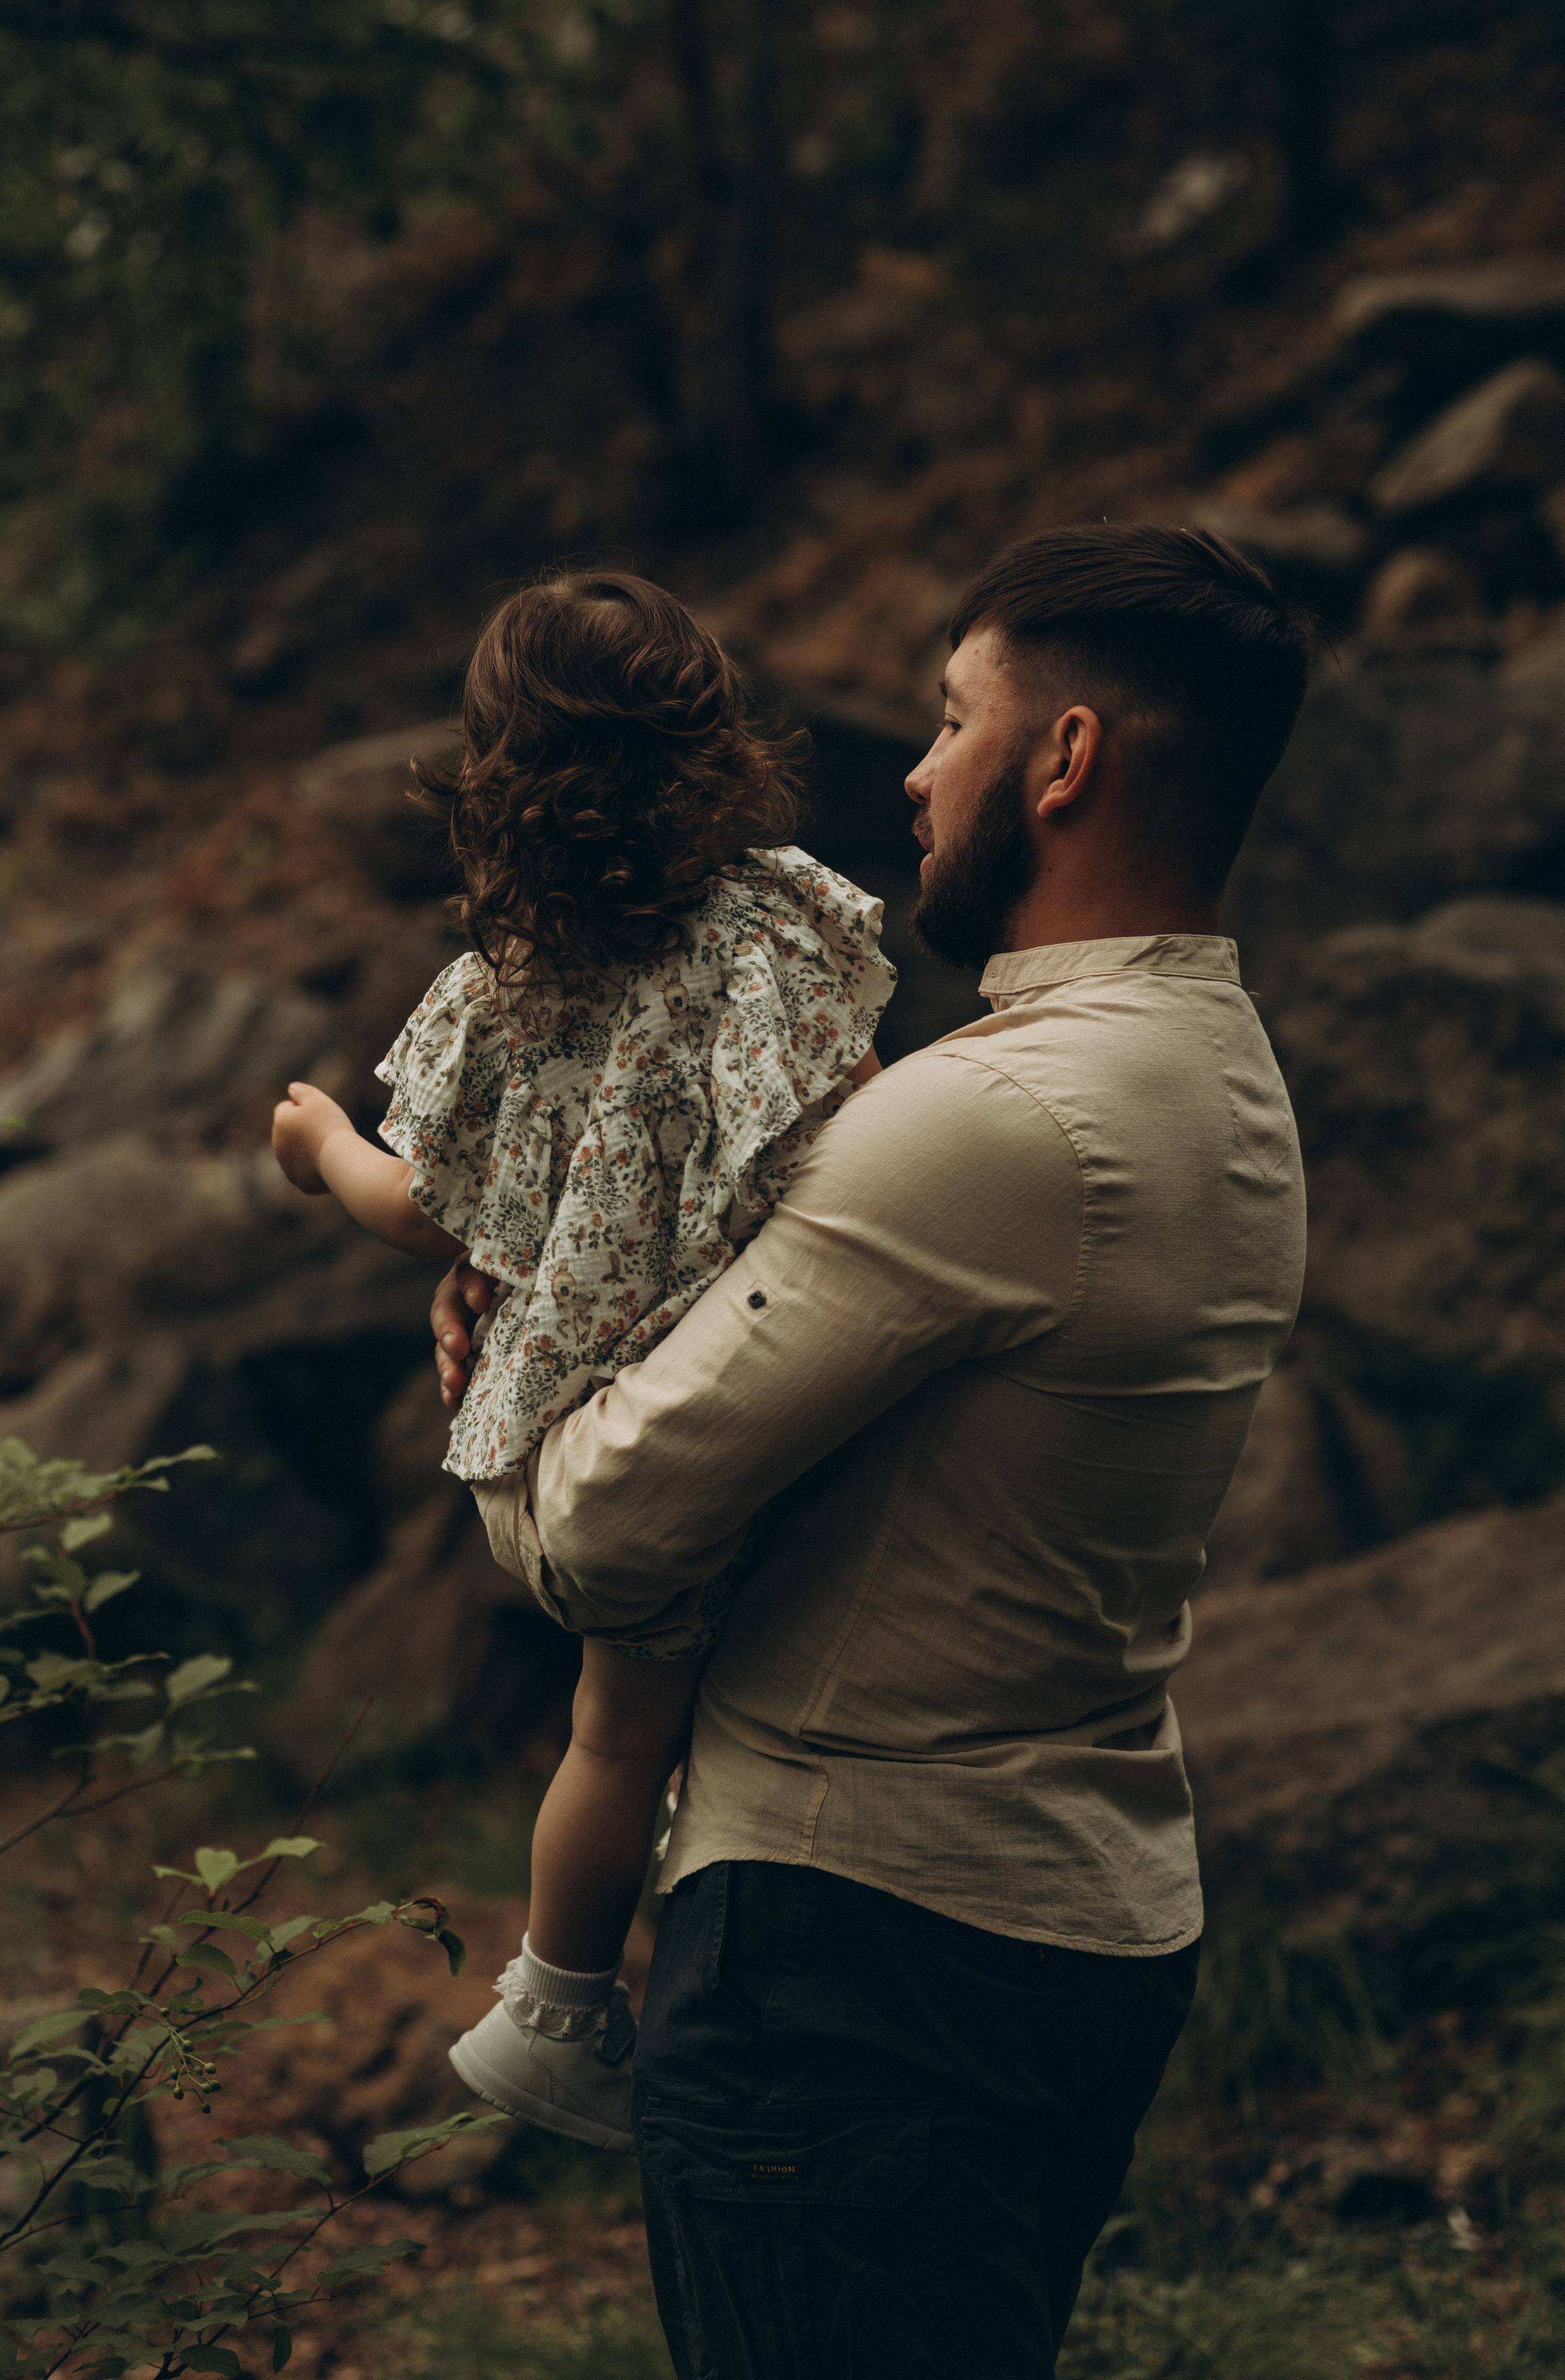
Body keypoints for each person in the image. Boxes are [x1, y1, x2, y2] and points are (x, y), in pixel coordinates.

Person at [430, 523, 1313, 2379]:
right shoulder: (1217, 1076)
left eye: (950, 719)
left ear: (1063, 761)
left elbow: (594, 1528)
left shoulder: (992, 1124)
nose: (911, 772)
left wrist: (500, 1356)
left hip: (859, 1961)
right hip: (1081, 1924)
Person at [270, 568, 894, 2154]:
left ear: (493, 787)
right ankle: (571, 1997)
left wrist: (321, 1143)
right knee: (662, 1716)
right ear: (715, 744)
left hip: (566, 1437)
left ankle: (558, 1998)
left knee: (614, 1730)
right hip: (726, 1415)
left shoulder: (505, 992)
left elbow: (425, 1207)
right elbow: (856, 1113)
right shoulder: (773, 928)